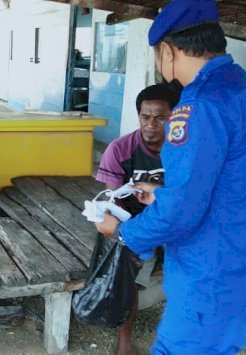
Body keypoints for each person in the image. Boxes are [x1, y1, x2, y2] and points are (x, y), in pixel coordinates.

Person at [95, 1, 246, 354]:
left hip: (212, 281)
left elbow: (182, 210)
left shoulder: (198, 106)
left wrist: (123, 232)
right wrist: (161, 194)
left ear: (167, 51)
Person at [95, 84, 179, 355]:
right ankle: (124, 341)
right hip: (135, 225)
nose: (151, 124)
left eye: (160, 117)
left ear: (174, 117)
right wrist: (113, 212)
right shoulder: (120, 149)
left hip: (176, 221)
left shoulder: (184, 151)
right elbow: (109, 200)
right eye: (145, 117)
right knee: (126, 273)